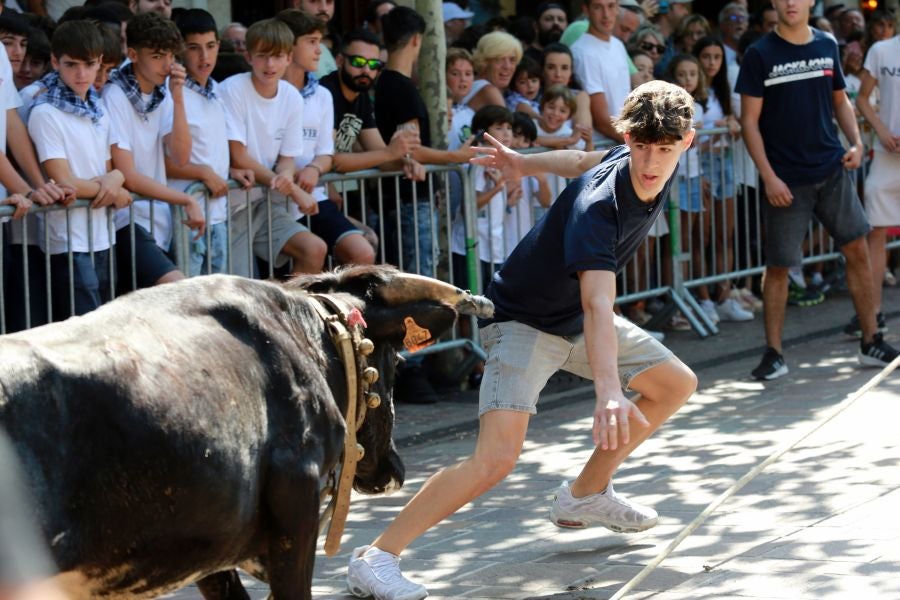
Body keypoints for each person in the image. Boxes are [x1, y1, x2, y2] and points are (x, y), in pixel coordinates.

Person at [346, 79, 698, 600]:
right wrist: (608, 392)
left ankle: (584, 495)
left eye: (664, 150)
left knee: (674, 384)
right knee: (495, 461)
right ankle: (376, 557)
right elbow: (598, 304)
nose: (650, 162)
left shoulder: (636, 159)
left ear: (686, 142)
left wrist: (524, 162)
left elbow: (579, 159)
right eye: (641, 147)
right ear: (627, 137)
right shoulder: (600, 208)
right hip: (523, 321)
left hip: (571, 319)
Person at [736, 0, 899, 380]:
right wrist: (768, 176)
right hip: (786, 180)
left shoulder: (826, 44)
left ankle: (871, 339)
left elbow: (840, 100)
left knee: (857, 250)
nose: (791, 2)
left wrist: (856, 142)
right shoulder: (760, 53)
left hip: (831, 170)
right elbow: (749, 122)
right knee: (778, 267)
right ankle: (773, 353)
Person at [27, 20, 131, 320]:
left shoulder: (99, 107)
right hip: (68, 239)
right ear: (54, 62)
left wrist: (116, 178)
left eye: (89, 64)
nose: (82, 74)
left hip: (103, 234)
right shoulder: (45, 112)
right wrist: (113, 188)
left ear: (100, 62)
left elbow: (112, 167)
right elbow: (63, 180)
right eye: (71, 64)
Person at [102, 11, 205, 292]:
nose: (167, 65)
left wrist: (179, 97)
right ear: (133, 54)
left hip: (157, 222)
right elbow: (128, 175)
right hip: (127, 222)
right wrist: (185, 199)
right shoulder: (115, 94)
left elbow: (180, 155)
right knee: (181, 292)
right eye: (157, 56)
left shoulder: (164, 93)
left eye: (171, 56)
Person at [219, 18, 326, 278]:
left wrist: (286, 176)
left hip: (263, 204)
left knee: (314, 249)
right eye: (263, 56)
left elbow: (287, 159)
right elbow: (238, 155)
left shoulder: (291, 96)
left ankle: (285, 314)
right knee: (240, 288)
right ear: (248, 56)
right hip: (229, 208)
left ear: (289, 58)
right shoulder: (232, 90)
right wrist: (292, 189)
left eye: (277, 56)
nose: (270, 65)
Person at [276, 8, 374, 266]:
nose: (319, 50)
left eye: (319, 42)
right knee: (305, 256)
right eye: (311, 42)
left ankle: (344, 307)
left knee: (362, 252)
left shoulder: (322, 95)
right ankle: (296, 308)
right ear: (289, 46)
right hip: (271, 200)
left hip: (314, 197)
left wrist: (314, 168)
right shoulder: (268, 91)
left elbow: (326, 153)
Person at [166, 9, 253, 277]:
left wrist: (227, 172)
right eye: (194, 48)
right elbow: (166, 161)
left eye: (211, 46)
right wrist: (203, 173)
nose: (205, 57)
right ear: (180, 50)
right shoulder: (171, 94)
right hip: (186, 217)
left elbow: (210, 148)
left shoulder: (215, 90)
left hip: (217, 214)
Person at [844, 24, 899, 338]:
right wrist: (880, 130)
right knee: (875, 234)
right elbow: (863, 99)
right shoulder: (882, 50)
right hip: (886, 156)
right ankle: (872, 315)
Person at [571, 0, 631, 142]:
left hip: (625, 145)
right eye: (598, 7)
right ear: (586, 10)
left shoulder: (618, 45)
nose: (606, 15)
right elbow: (602, 121)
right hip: (602, 151)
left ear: (617, 8)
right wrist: (638, 144)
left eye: (611, 6)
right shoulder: (582, 51)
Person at [293, 0, 337, 79]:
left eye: (329, 2)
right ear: (298, 4)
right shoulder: (287, 42)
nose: (323, 8)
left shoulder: (341, 42)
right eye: (314, 1)